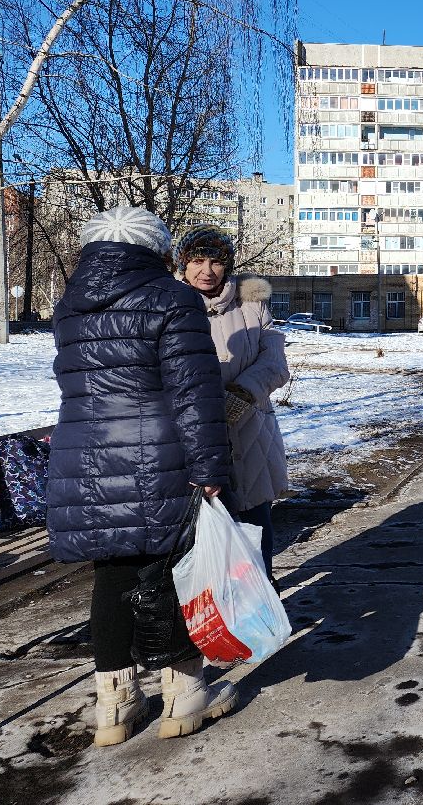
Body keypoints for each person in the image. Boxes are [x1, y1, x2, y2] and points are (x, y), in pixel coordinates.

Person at [47, 206, 235, 747]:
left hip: (84, 459)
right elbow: (194, 393)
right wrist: (210, 467)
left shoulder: (70, 305)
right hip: (158, 456)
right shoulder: (171, 298)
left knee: (112, 577)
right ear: (156, 248)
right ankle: (183, 695)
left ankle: (114, 707)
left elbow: (74, 383)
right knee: (173, 570)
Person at [177, 226, 289, 581]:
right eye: (197, 260)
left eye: (215, 261)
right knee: (198, 533)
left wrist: (240, 395)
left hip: (251, 431)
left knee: (256, 525)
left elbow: (275, 363)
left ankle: (260, 609)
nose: (206, 270)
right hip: (189, 436)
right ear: (183, 263)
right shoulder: (169, 304)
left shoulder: (252, 305)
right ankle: (209, 617)